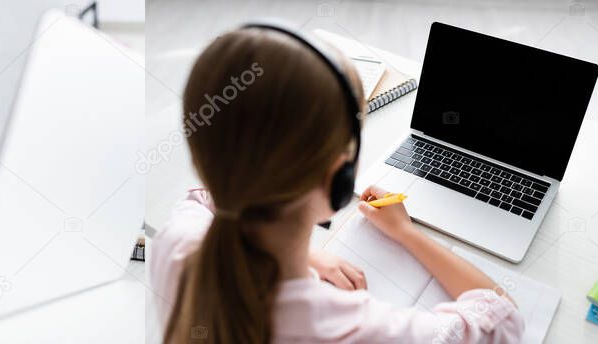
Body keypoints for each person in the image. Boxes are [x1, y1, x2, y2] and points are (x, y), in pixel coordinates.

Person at [150, 25, 523, 343]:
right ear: (340, 180)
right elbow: (503, 321)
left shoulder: (176, 241)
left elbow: (208, 201)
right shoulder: (355, 329)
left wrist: (305, 255)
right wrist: (408, 234)